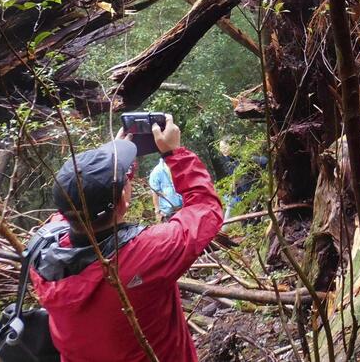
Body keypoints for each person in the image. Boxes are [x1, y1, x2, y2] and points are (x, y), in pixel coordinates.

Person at [29, 115, 223, 361]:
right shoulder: (149, 253)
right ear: (122, 201)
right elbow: (206, 209)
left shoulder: (41, 257)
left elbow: (76, 202)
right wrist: (176, 154)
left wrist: (106, 163)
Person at [149, 155, 184, 221]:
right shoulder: (156, 172)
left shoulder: (177, 166)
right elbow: (155, 193)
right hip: (168, 213)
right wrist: (157, 212)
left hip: (183, 207)